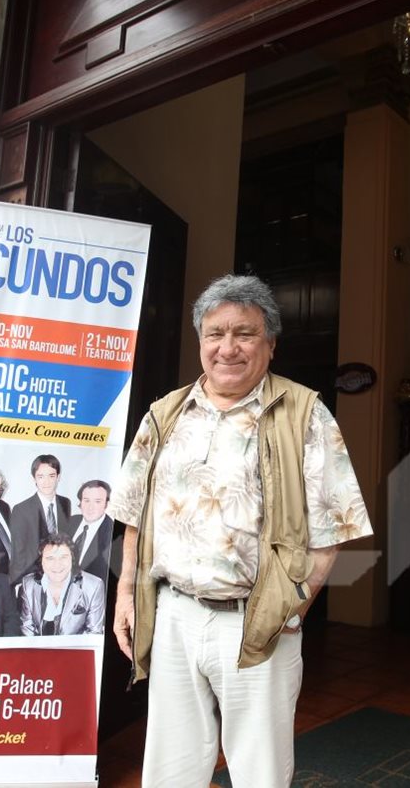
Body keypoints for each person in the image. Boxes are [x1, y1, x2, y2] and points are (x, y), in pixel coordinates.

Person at [110, 274, 372, 787]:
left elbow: (333, 526)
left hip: (255, 621)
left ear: (270, 345)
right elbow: (135, 513)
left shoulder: (304, 413)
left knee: (259, 771)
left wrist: (292, 609)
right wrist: (125, 591)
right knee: (171, 768)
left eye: (245, 334)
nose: (228, 348)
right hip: (174, 616)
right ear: (200, 342)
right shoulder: (165, 414)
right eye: (215, 333)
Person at [17, 533, 105, 636]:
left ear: (72, 560)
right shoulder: (28, 584)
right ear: (41, 561)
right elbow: (27, 628)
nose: (57, 564)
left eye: (63, 557)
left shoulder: (94, 586)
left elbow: (94, 633)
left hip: (76, 649)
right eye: (50, 558)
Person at [9, 454, 73, 584]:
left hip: (62, 577)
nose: (47, 482)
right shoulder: (21, 510)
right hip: (33, 578)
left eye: (51, 476)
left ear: (58, 477)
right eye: (41, 476)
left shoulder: (65, 503)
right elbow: (19, 555)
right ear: (34, 479)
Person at [63, 480, 113, 585]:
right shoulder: (69, 522)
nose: (91, 507)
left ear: (106, 504)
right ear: (80, 502)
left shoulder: (113, 533)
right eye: (86, 500)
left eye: (97, 501)